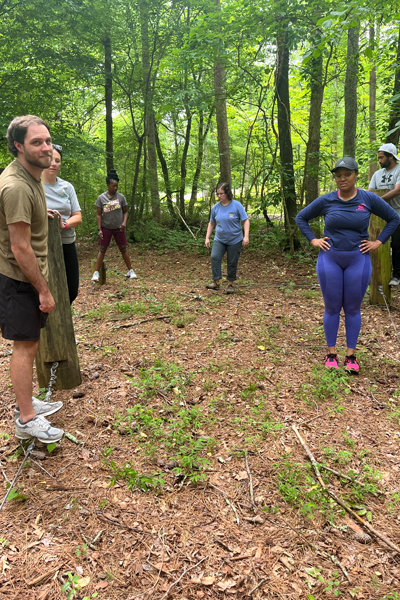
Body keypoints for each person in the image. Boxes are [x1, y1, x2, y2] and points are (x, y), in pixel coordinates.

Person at [296, 157, 400, 372]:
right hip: (330, 258)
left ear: (356, 175)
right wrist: (313, 239)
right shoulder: (327, 201)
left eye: (347, 174)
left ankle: (351, 357)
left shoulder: (368, 199)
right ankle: (331, 354)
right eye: (338, 175)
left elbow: (394, 218)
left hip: (358, 259)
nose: (342, 178)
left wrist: (378, 242)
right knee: (332, 307)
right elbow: (301, 218)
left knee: (352, 308)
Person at [0, 116, 64, 443]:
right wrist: (44, 291)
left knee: (31, 342)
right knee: (24, 348)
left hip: (26, 277)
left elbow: (25, 217)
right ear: (18, 146)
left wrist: (44, 214)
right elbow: (19, 246)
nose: (45, 147)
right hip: (19, 279)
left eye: (47, 141)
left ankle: (28, 401)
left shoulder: (33, 175)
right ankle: (26, 419)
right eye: (37, 142)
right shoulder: (16, 186)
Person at [43, 144, 82, 304]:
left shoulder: (67, 187)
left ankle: (61, 318)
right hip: (41, 245)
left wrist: (63, 224)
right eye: (51, 159)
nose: (54, 164)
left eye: (58, 161)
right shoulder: (33, 185)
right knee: (45, 287)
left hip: (66, 243)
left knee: (71, 289)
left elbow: (78, 217)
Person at [92, 169, 137, 282]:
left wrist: (124, 222)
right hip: (106, 227)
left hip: (118, 227)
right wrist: (99, 229)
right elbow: (98, 215)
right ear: (108, 186)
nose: (115, 188)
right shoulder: (101, 198)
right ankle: (96, 273)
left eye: (117, 186)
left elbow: (125, 211)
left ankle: (130, 270)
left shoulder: (121, 198)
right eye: (113, 186)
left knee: (123, 249)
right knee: (102, 249)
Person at [204, 182, 249, 294]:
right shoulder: (216, 207)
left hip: (235, 239)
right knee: (215, 257)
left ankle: (230, 284)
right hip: (219, 239)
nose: (219, 196)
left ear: (228, 193)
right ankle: (216, 282)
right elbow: (211, 223)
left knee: (232, 261)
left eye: (222, 193)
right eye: (218, 194)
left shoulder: (237, 205)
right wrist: (207, 238)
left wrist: (246, 236)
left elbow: (245, 220)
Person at [368, 143, 400, 286]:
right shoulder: (377, 174)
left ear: (391, 156)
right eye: (379, 158)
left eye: (381, 158)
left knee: (397, 245)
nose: (379, 161)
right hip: (379, 217)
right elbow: (370, 191)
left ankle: (397, 275)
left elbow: (398, 190)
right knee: (377, 243)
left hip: (398, 214)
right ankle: (374, 275)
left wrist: (378, 201)